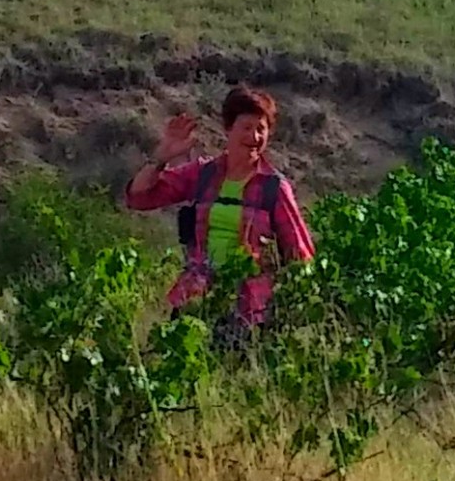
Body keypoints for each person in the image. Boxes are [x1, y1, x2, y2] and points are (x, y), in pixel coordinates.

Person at [124, 84, 315, 331]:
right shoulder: (203, 175)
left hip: (249, 309)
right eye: (247, 128)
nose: (255, 137)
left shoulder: (273, 188)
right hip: (195, 296)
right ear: (228, 129)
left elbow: (300, 253)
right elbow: (139, 197)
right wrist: (162, 157)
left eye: (261, 129)